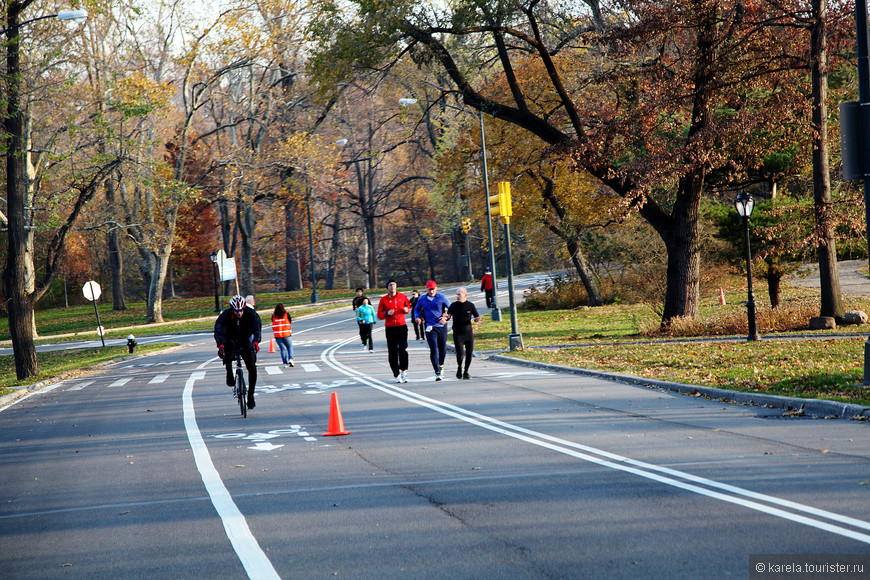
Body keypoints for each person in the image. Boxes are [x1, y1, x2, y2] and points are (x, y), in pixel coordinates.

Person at [215, 295, 262, 409]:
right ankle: (229, 371)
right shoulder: (225, 316)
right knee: (228, 348)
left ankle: (250, 395)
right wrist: (220, 345)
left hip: (244, 339)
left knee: (252, 366)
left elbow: (257, 329)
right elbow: (218, 332)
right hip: (230, 339)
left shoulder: (251, 314)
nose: (239, 313)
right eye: (236, 311)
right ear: (232, 309)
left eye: (241, 310)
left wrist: (256, 342)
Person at [414, 280, 451, 381]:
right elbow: (416, 309)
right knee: (434, 349)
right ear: (427, 289)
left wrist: (446, 317)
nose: (431, 292)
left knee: (442, 348)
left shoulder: (442, 297)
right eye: (429, 290)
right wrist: (417, 317)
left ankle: (441, 365)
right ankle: (437, 371)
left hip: (441, 326)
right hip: (430, 326)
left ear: (436, 288)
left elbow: (451, 309)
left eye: (433, 289)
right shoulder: (422, 299)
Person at [377, 280, 412, 383]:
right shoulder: (384, 300)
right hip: (390, 328)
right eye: (390, 285)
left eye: (393, 285)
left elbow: (408, 306)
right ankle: (396, 374)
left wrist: (406, 310)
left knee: (403, 349)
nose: (392, 287)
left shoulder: (402, 296)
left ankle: (404, 371)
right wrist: (387, 313)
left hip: (401, 326)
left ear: (396, 286)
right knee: (392, 351)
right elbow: (379, 315)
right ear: (387, 288)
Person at [446, 287, 481, 379]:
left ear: (465, 295)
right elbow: (448, 316)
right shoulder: (453, 305)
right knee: (460, 353)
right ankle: (459, 366)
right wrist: (444, 318)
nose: (457, 296)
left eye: (459, 294)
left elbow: (476, 316)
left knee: (469, 353)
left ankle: (466, 372)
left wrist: (477, 319)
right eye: (457, 294)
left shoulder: (470, 305)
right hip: (458, 333)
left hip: (468, 333)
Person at [271, 303, 294, 368]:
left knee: (283, 349)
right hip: (286, 334)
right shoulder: (286, 315)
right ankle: (291, 359)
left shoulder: (274, 316)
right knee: (289, 347)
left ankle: (285, 363)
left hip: (278, 335)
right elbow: (290, 322)